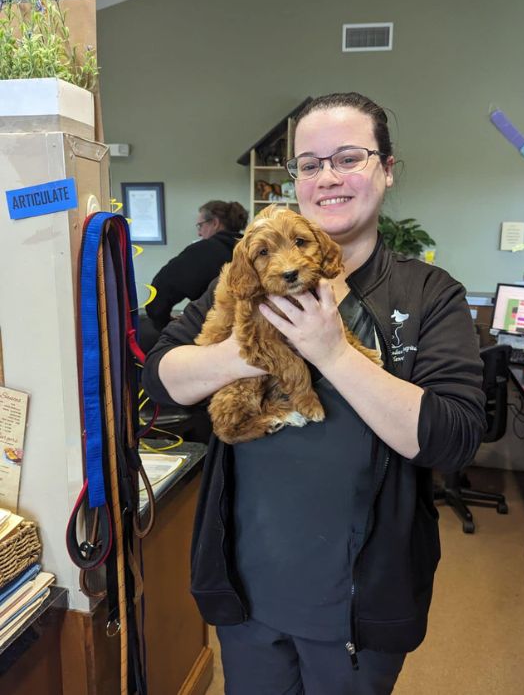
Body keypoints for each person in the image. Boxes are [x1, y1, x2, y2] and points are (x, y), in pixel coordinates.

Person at [142, 92, 486, 694]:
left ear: (386, 168)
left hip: (360, 600)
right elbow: (163, 376)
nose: (327, 177)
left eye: (349, 157)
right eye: (309, 164)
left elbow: (452, 438)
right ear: (294, 180)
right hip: (249, 589)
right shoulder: (240, 279)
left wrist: (331, 351)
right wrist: (243, 353)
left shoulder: (429, 294)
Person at [145, 200, 248, 331]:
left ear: (215, 223)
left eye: (200, 225)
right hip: (247, 333)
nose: (199, 233)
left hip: (210, 335)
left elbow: (158, 294)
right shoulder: (250, 251)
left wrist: (165, 325)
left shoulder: (202, 251)